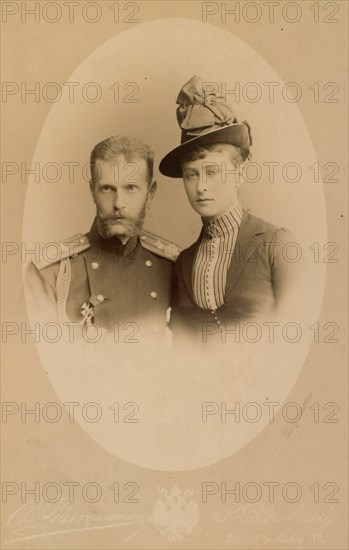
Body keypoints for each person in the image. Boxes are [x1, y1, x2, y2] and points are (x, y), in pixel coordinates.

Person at [159, 75, 299, 343]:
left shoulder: (276, 244)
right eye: (191, 174)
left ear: (239, 174)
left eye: (212, 172)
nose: (201, 186)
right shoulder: (183, 263)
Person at [25, 135, 180, 343]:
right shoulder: (51, 271)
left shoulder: (173, 268)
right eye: (107, 189)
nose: (119, 203)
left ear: (150, 193)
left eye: (131, 188)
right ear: (92, 191)